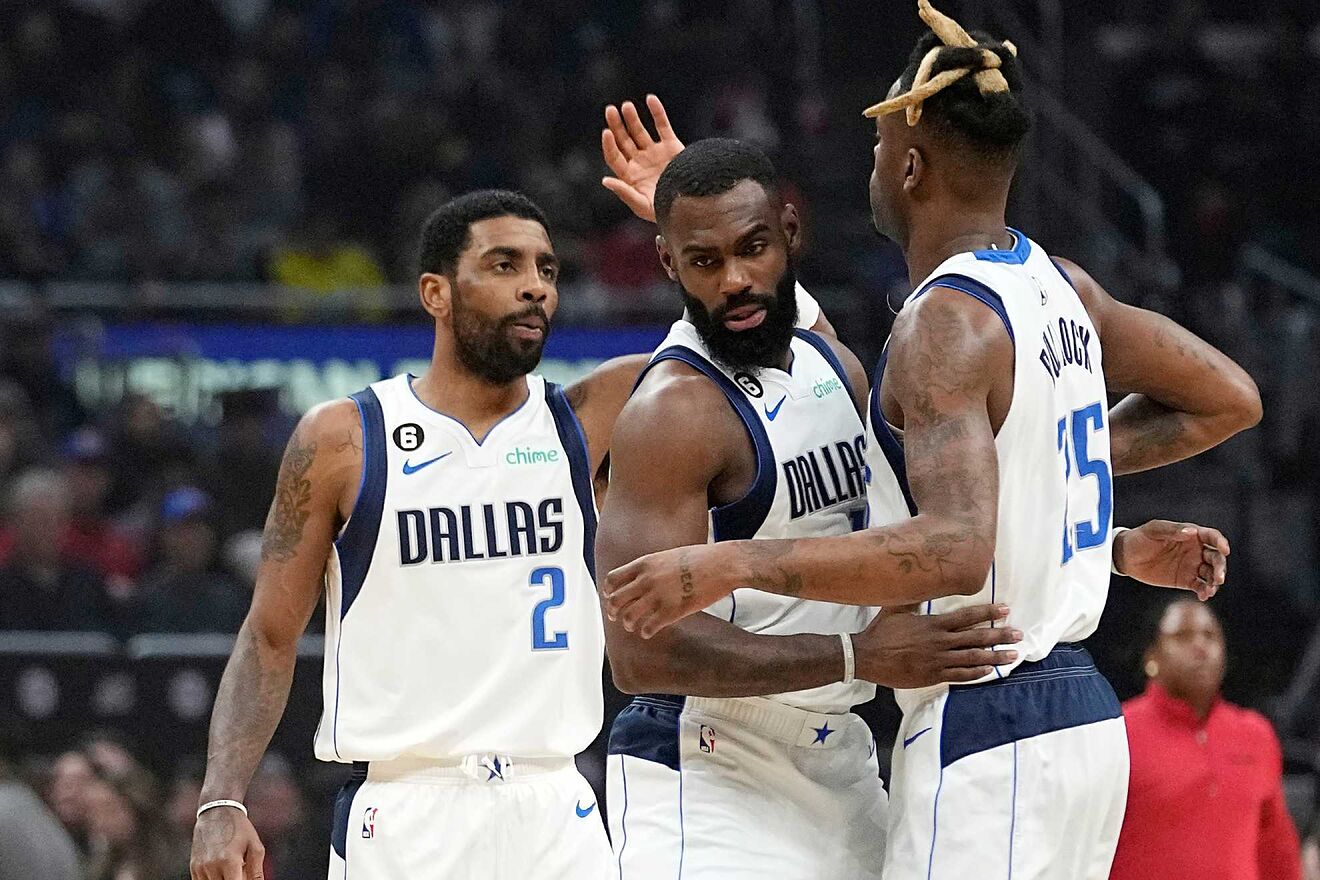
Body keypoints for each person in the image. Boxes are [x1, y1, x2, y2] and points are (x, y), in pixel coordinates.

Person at [598, 3, 1262, 878]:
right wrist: (1108, 536)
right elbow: (1224, 399)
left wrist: (733, 565)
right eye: (706, 257)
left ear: (909, 165)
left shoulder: (933, 329)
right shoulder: (1060, 286)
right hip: (1051, 717)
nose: (868, 160)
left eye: (878, 145)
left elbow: (954, 544)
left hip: (983, 717)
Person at [597, 136, 1024, 880]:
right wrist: (856, 656)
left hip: (842, 755)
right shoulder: (673, 412)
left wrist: (1114, 544)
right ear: (669, 266)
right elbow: (641, 656)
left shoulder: (832, 359)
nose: (734, 280)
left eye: (752, 248)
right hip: (709, 765)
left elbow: (934, 508)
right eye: (703, 261)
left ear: (791, 235)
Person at [190, 189, 649, 880]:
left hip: (555, 805)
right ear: (436, 291)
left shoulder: (589, 417)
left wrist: (673, 204)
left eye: (547, 270)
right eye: (504, 265)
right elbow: (270, 634)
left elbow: (746, 334)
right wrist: (221, 798)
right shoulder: (344, 438)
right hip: (406, 811)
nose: (534, 287)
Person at [1110, 599, 1301, 880]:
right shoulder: (1117, 733)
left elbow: (1276, 849)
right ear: (1152, 657)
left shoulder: (1256, 734)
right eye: (1182, 636)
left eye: (1210, 635)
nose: (1200, 647)